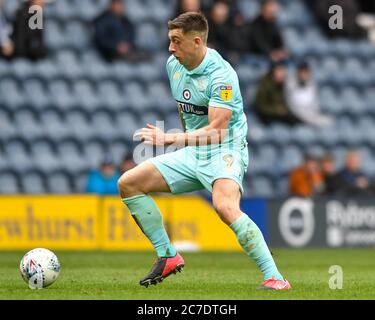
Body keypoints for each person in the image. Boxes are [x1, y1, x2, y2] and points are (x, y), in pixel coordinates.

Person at [118, 12, 291, 290]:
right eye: (169, 40)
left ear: (197, 41)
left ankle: (275, 278)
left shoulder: (222, 76)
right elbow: (184, 109)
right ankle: (167, 256)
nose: (170, 48)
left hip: (225, 150)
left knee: (224, 206)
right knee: (128, 184)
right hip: (193, 151)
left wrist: (170, 139)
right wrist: (183, 142)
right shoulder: (173, 65)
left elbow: (217, 131)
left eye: (176, 41)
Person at [285, 61, 333, 127]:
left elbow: (314, 103)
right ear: (298, 73)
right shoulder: (291, 84)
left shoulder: (312, 85)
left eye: (306, 72)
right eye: (302, 72)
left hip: (310, 114)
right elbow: (291, 103)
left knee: (328, 121)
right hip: (296, 115)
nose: (304, 74)